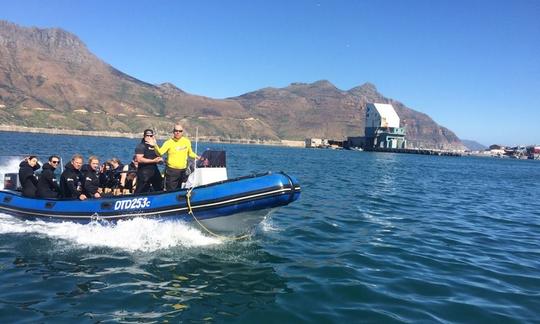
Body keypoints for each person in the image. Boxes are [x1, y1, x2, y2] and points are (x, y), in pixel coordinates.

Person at [147, 124, 202, 191]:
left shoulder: (186, 141)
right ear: (173, 132)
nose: (178, 132)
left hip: (183, 171)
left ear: (182, 132)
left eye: (180, 131)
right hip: (171, 171)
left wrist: (198, 157)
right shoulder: (168, 142)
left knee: (181, 189)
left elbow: (190, 153)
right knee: (171, 190)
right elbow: (160, 153)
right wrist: (155, 145)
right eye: (176, 131)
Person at [134, 129, 163, 193]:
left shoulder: (154, 146)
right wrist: (153, 161)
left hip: (154, 170)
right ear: (144, 136)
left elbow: (159, 155)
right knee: (141, 189)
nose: (149, 137)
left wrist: (160, 160)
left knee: (159, 186)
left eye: (151, 136)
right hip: (144, 171)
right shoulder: (141, 146)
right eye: (147, 136)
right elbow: (139, 159)